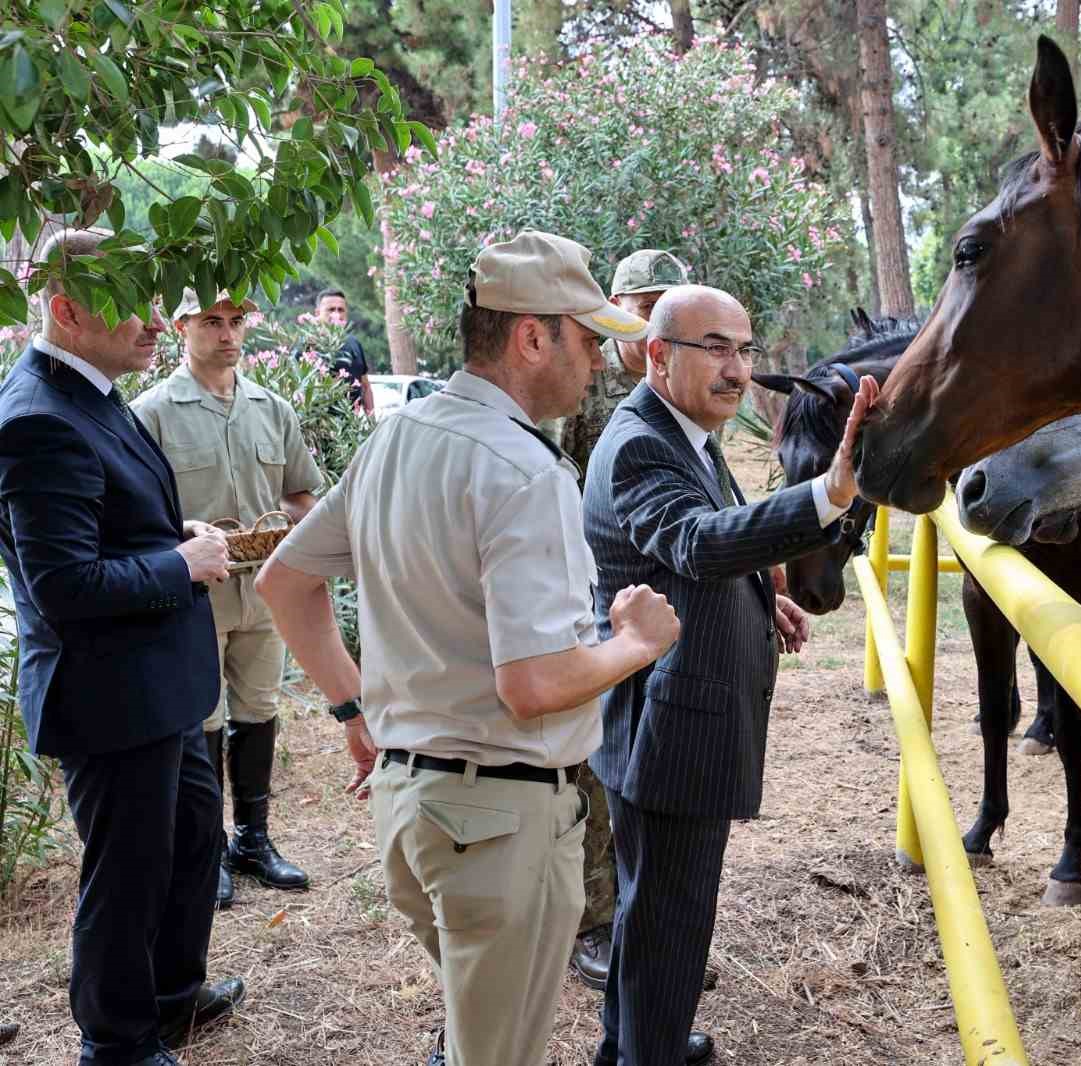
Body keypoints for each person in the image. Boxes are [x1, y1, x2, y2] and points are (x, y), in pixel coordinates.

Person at [255, 230, 681, 1066]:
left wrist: (353, 706)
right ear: (532, 337)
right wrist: (637, 643)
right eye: (588, 339)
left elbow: (283, 583)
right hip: (502, 821)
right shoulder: (523, 471)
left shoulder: (395, 439)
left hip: (414, 816)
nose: (597, 362)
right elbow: (534, 684)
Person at [583, 284, 878, 1066]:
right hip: (669, 729)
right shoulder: (643, 442)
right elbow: (697, 543)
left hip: (670, 717)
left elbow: (703, 558)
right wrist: (829, 493)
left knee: (650, 916)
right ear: (657, 353)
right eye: (715, 347)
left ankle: (629, 1045)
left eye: (745, 350)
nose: (738, 369)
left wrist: (761, 599)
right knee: (670, 924)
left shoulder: (684, 433)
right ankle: (649, 1052)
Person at [0, 230, 245, 1066]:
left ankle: (172, 997)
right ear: (65, 310)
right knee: (128, 875)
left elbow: (110, 524)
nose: (152, 319)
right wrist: (180, 563)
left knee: (187, 848)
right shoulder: (38, 419)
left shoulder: (92, 393)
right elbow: (63, 587)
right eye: (130, 302)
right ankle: (116, 1041)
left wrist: (173, 537)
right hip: (109, 695)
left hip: (159, 684)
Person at [133, 291, 324, 910]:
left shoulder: (272, 408)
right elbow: (139, 517)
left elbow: (300, 494)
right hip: (196, 595)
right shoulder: (152, 413)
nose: (227, 334)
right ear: (183, 326)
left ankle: (254, 840)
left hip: (262, 589)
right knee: (205, 719)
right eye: (212, 321)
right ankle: (207, 849)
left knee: (259, 710)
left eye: (236, 321)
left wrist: (300, 534)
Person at [562, 248, 689, 994]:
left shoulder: (669, 390)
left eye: (667, 303)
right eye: (645, 305)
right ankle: (594, 925)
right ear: (615, 308)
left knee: (642, 759)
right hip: (588, 600)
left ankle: (640, 923)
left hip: (654, 605)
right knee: (594, 770)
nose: (654, 319)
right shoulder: (581, 388)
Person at [312, 288, 374, 416]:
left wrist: (372, 422)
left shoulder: (354, 343)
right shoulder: (308, 345)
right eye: (331, 310)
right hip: (318, 427)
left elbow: (365, 387)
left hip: (350, 428)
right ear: (317, 313)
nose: (337, 315)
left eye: (341, 310)